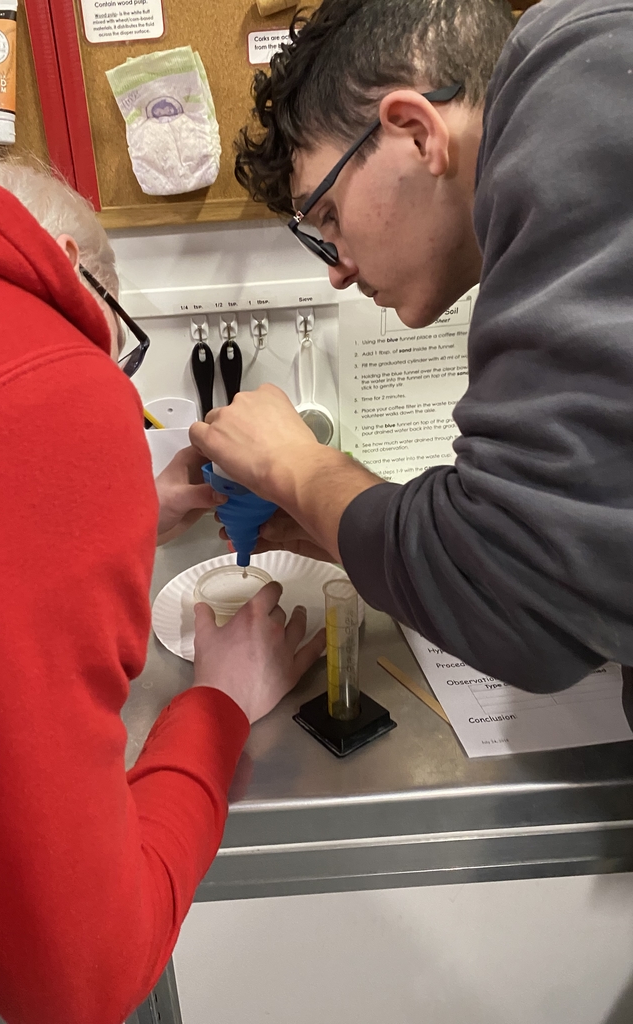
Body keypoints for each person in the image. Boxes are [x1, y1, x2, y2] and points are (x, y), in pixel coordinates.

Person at [0, 105, 324, 1024]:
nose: (102, 375)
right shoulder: (32, 378)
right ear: (73, 273)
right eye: (113, 349)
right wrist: (220, 706)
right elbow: (75, 980)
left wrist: (118, 516)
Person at [191, 0, 633, 694]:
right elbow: (579, 576)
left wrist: (300, 467)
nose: (335, 269)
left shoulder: (583, 78)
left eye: (328, 216)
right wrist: (342, 527)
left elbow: (518, 601)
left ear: (416, 132)